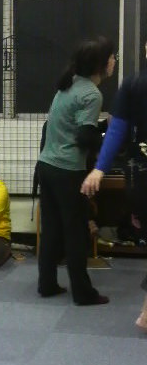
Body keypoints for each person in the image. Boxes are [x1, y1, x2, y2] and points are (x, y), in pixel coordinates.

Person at [37, 36, 116, 305]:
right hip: (67, 171)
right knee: (76, 233)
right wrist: (110, 139)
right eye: (112, 57)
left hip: (46, 166)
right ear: (101, 64)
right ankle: (83, 293)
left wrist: (100, 127)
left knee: (51, 229)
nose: (114, 61)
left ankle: (47, 284)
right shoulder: (92, 94)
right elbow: (83, 138)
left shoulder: (69, 84)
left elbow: (71, 126)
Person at [81, 40, 147, 329]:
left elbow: (117, 129)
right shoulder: (133, 85)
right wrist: (99, 169)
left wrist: (99, 169)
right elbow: (117, 129)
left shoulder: (132, 84)